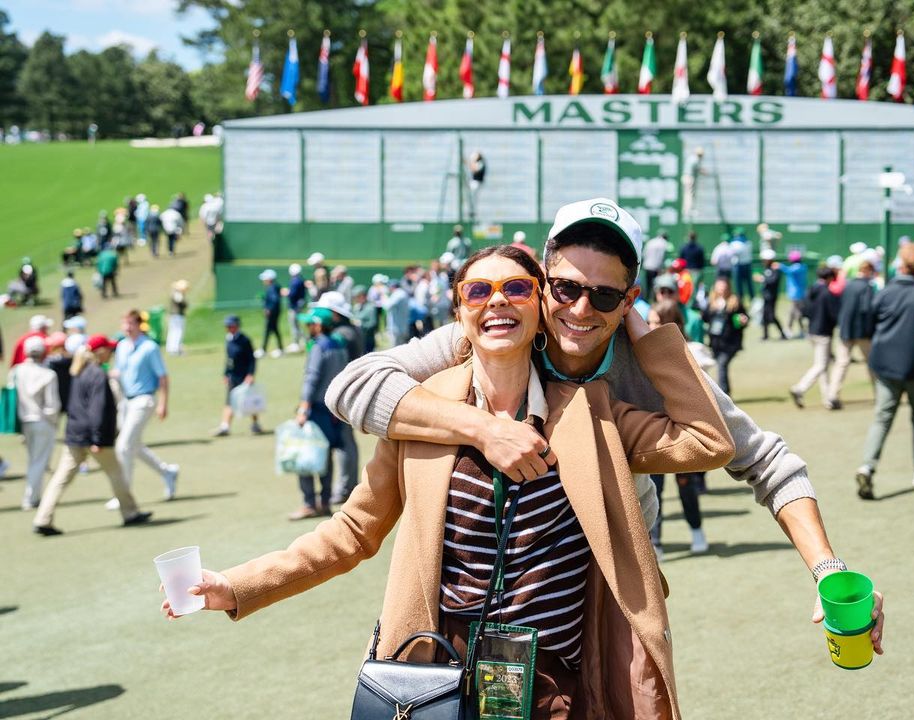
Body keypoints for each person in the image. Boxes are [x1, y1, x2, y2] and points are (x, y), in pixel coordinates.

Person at [162, 243, 736, 718]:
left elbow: (710, 442)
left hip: (551, 684)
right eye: (477, 291)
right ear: (458, 310)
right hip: (439, 674)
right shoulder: (419, 413)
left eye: (515, 288)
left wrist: (647, 332)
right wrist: (238, 585)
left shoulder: (591, 413)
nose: (497, 302)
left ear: (540, 306)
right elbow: (351, 532)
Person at [325, 197, 885, 655]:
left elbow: (762, 459)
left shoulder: (645, 366)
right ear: (542, 283)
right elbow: (350, 387)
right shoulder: (493, 333)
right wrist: (481, 428)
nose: (581, 308)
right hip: (481, 595)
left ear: (629, 300)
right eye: (566, 287)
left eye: (606, 294)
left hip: (603, 592)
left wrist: (827, 570)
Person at [32, 335, 153, 536]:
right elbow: (98, 409)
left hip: (75, 433)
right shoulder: (97, 374)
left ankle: (42, 518)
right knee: (115, 472)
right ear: (100, 352)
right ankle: (130, 512)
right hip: (92, 436)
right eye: (109, 350)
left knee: (61, 478)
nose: (111, 354)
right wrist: (98, 438)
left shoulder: (79, 371)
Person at [854, 244, 914, 500]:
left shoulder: (885, 293)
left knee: (882, 417)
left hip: (885, 366)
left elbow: (868, 325)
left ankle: (867, 466)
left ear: (901, 264)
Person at [645, 298, 712, 558]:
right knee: (654, 490)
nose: (649, 326)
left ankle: (697, 532)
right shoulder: (640, 351)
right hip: (653, 435)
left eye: (655, 322)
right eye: (648, 321)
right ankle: (656, 542)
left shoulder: (688, 352)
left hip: (683, 433)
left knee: (686, 486)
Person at [112, 309, 180, 503]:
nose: (126, 327)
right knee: (134, 447)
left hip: (144, 399)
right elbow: (119, 371)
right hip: (126, 401)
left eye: (130, 323)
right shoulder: (122, 346)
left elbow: (163, 376)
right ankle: (167, 472)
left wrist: (163, 403)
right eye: (124, 323)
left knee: (123, 446)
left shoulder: (149, 347)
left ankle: (123, 495)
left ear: (138, 325)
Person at [290, 307, 348, 519]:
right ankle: (324, 501)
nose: (307, 327)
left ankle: (309, 503)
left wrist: (303, 407)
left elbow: (312, 378)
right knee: (326, 456)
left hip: (316, 409)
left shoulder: (318, 346)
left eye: (310, 323)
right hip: (334, 410)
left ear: (319, 325)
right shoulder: (338, 343)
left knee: (304, 455)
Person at [315, 292, 362, 505]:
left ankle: (346, 487)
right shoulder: (351, 330)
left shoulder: (343, 335)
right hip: (348, 393)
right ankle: (346, 485)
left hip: (345, 395)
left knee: (344, 442)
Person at [13, 336, 60, 510]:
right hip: (42, 421)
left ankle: (33, 495)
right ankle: (31, 498)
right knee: (38, 461)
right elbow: (52, 405)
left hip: (25, 421)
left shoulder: (17, 371)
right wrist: (53, 422)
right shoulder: (48, 374)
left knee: (34, 460)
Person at [826, 260, 877, 409]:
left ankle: (832, 395)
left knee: (841, 363)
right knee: (872, 363)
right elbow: (867, 309)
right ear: (868, 271)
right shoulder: (867, 287)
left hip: (846, 330)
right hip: (862, 332)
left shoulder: (848, 285)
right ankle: (880, 394)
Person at [790, 267, 840, 410]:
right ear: (829, 277)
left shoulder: (811, 290)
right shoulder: (827, 293)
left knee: (823, 365)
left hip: (812, 332)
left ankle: (828, 399)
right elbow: (834, 315)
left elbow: (804, 311)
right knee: (821, 366)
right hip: (824, 333)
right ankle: (799, 388)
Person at [213, 316, 261, 437]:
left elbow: (252, 359)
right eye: (227, 326)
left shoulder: (245, 340)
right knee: (229, 401)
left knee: (249, 401)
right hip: (233, 376)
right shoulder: (228, 339)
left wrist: (250, 374)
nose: (228, 328)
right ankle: (225, 426)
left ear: (237, 326)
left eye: (231, 326)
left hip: (244, 376)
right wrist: (225, 374)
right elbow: (228, 360)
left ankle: (255, 424)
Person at [702, 277, 748, 396]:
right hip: (715, 342)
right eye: (719, 286)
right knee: (721, 366)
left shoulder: (735, 301)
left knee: (722, 365)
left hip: (730, 342)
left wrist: (743, 320)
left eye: (724, 286)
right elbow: (705, 318)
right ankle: (725, 394)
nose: (722, 289)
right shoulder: (712, 302)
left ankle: (723, 394)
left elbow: (743, 318)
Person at [757, 249, 787, 340]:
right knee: (765, 316)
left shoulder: (775, 269)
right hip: (766, 295)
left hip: (772, 296)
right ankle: (765, 335)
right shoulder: (766, 268)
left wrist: (762, 279)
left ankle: (783, 334)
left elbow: (773, 281)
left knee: (772, 316)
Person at [779, 250, 808, 337]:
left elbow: (788, 271)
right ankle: (790, 329)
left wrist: (780, 266)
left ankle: (800, 330)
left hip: (797, 294)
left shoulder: (797, 268)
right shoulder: (802, 266)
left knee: (797, 312)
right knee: (793, 312)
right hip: (797, 293)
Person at [257, 269, 284, 358]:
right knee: (274, 330)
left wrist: (268, 309)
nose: (263, 281)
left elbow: (274, 300)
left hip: (272, 313)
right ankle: (280, 349)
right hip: (275, 312)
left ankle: (263, 350)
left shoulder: (272, 287)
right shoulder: (274, 287)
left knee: (268, 330)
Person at [641, 231, 672, 298]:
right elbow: (662, 257)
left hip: (647, 266)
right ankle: (655, 300)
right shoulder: (663, 243)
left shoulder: (650, 242)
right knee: (656, 286)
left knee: (648, 286)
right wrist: (661, 268)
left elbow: (644, 254)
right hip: (656, 268)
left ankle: (646, 300)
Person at [681, 145, 707, 222]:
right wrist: (705, 172)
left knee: (687, 194)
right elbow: (699, 169)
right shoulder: (695, 159)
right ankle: (689, 210)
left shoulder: (691, 158)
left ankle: (686, 210)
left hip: (686, 177)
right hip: (689, 177)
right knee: (690, 195)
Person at [285, 263, 306, 352]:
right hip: (299, 305)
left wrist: (287, 293)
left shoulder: (295, 281)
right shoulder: (301, 280)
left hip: (294, 306)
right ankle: (303, 341)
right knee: (296, 325)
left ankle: (296, 343)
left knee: (294, 325)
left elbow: (292, 294)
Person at [730, 228, 755, 302]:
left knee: (744, 285)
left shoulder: (736, 244)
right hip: (743, 265)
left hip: (740, 265)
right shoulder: (748, 243)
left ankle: (750, 300)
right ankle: (741, 301)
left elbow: (735, 252)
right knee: (741, 286)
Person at [165, 280, 189, 356]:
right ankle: (175, 349)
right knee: (177, 332)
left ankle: (172, 348)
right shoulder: (177, 294)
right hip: (177, 316)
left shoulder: (176, 294)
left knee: (174, 332)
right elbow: (182, 303)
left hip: (175, 316)